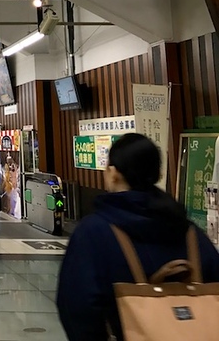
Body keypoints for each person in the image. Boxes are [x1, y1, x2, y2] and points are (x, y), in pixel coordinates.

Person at [57, 133, 219, 341]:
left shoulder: (93, 232)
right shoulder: (191, 233)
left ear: (113, 173)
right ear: (158, 174)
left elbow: (77, 307)